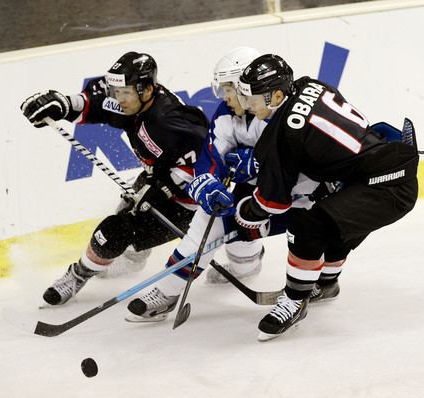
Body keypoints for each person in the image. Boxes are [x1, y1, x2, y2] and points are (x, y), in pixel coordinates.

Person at [232, 54, 419, 340]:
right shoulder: (312, 85)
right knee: (335, 221)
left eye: (252, 98)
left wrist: (249, 211)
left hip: (384, 185)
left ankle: (295, 300)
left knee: (307, 226)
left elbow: (273, 203)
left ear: (276, 95)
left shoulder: (282, 134)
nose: (247, 106)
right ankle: (326, 284)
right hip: (382, 168)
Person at [125, 48, 319, 322]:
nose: (225, 98)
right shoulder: (227, 113)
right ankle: (167, 292)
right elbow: (210, 157)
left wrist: (258, 163)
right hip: (260, 196)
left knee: (316, 234)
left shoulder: (288, 113)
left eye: (229, 89)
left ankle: (325, 280)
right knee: (209, 221)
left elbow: (305, 161)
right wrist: (207, 185)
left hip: (302, 198)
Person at [20, 51, 209, 305]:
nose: (119, 99)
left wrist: (163, 190)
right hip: (155, 179)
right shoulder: (132, 99)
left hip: (189, 203)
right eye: (116, 92)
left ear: (147, 89)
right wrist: (63, 104)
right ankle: (95, 270)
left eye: (125, 93)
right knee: (116, 228)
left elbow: (206, 161)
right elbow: (96, 101)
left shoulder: (169, 121)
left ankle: (246, 261)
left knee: (117, 232)